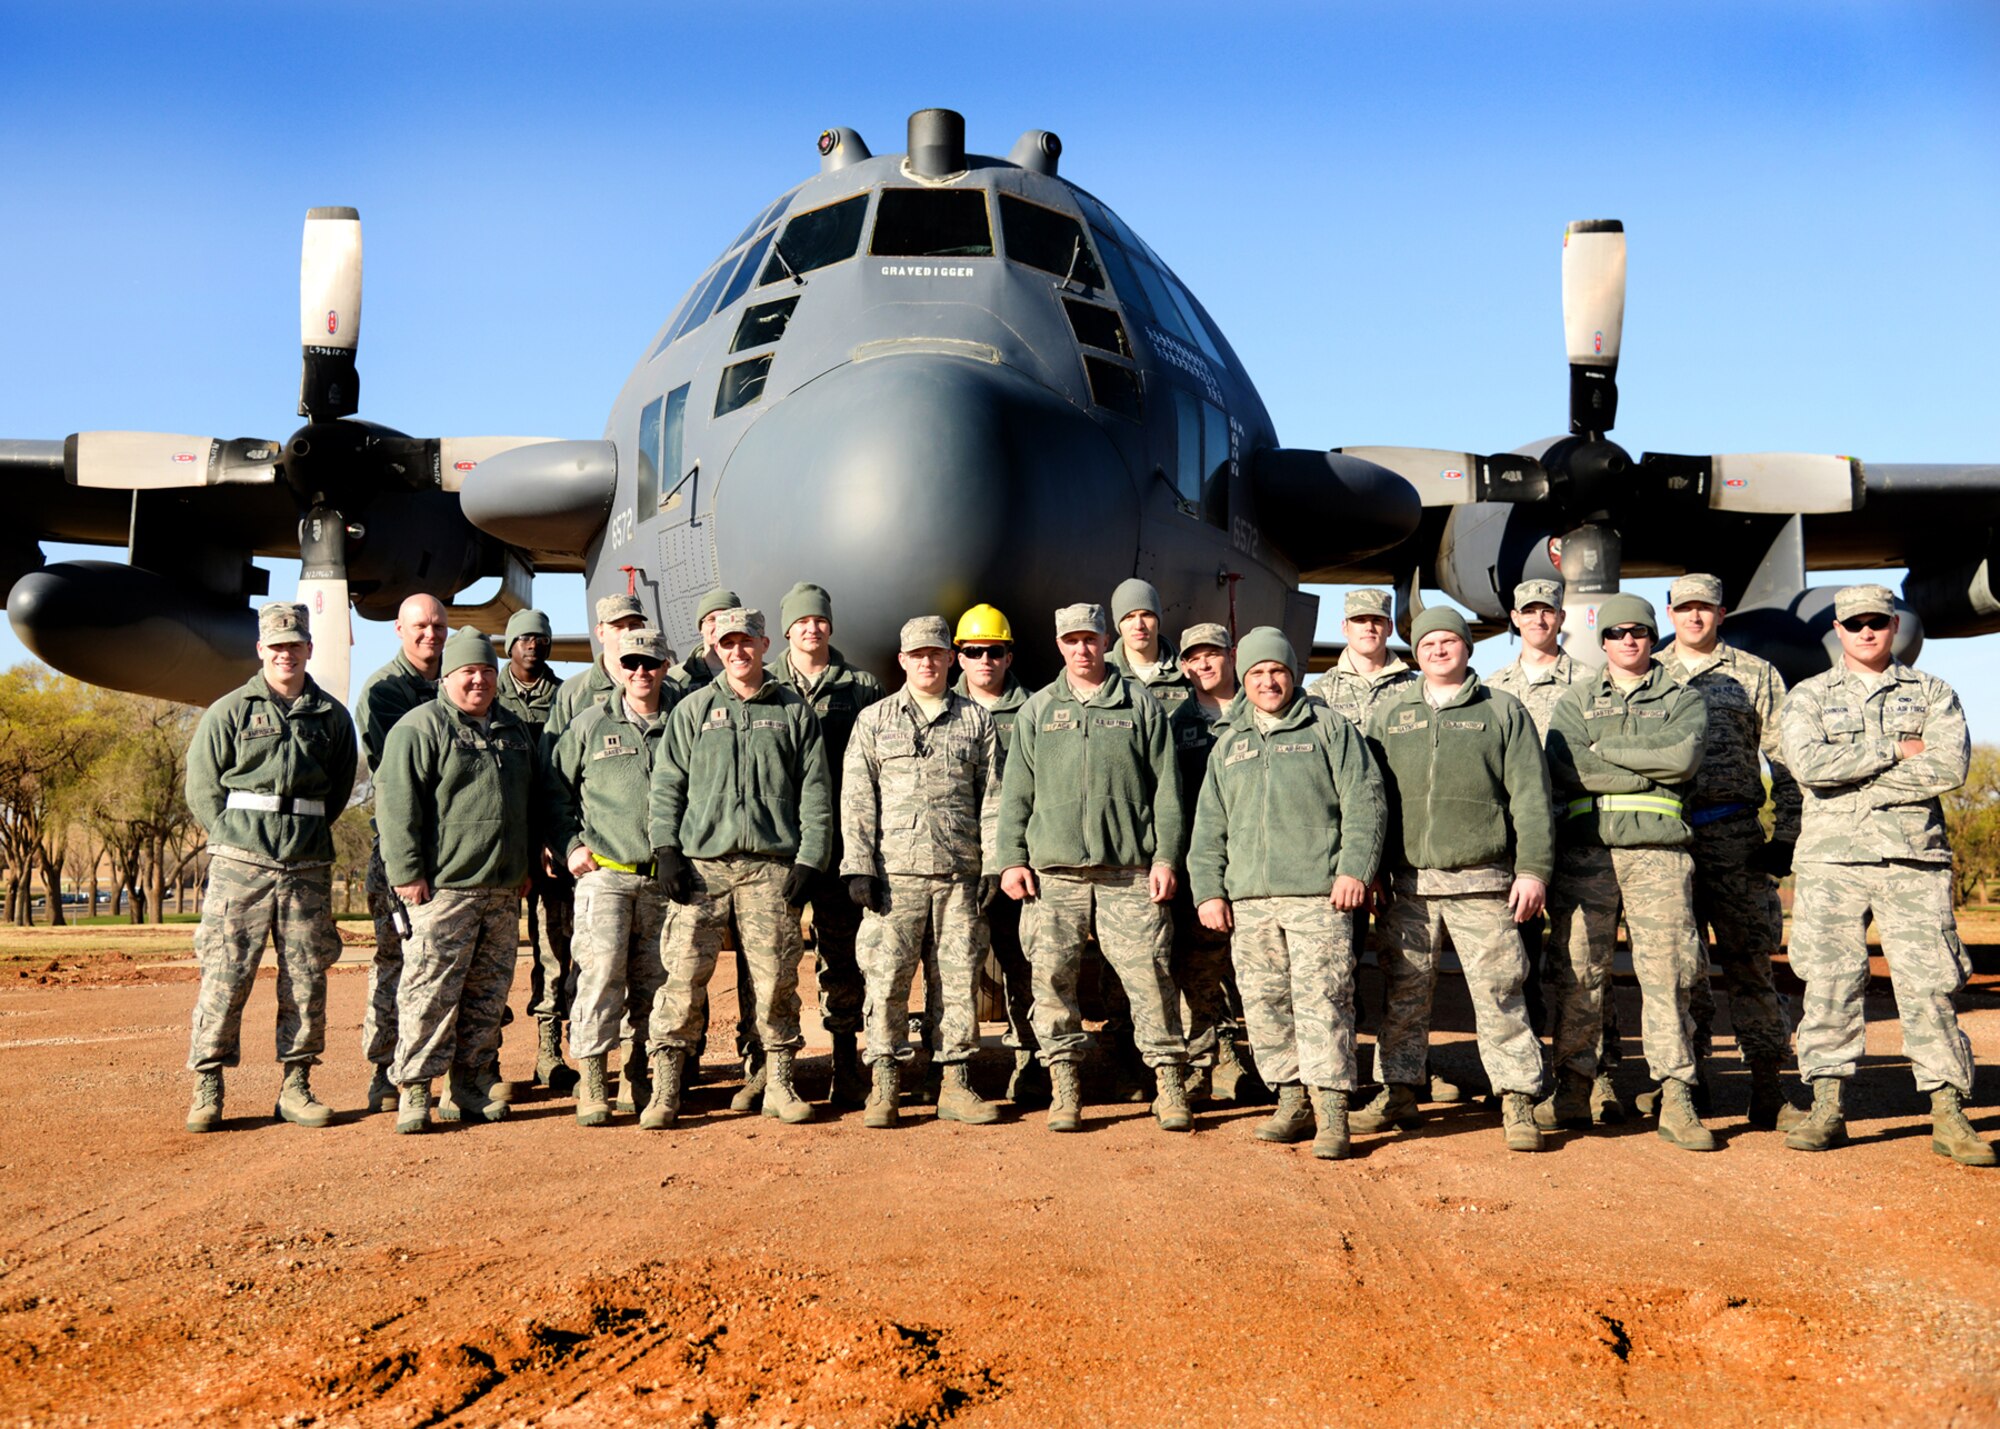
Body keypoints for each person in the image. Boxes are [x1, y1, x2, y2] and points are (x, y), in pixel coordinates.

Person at [1779, 585, 1991, 1166]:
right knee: (1830, 983)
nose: (1866, 632)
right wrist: (1896, 751)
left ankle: (1948, 1113)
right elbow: (1810, 766)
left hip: (1912, 861)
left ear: (1893, 626)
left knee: (1931, 985)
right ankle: (1826, 1107)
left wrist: (1858, 783)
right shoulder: (1809, 696)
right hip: (1831, 864)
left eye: (1877, 621)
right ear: (1838, 631)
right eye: (1854, 623)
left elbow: (1947, 767)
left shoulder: (1933, 692)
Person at [1360, 607, 1554, 1152]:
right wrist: (1372, 868)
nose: (1439, 650)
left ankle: (1518, 1099)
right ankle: (1398, 1091)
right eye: (1429, 643)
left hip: (1483, 881)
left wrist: (1534, 869)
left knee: (1500, 992)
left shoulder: (1502, 710)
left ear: (1467, 648)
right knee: (1403, 993)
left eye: (1450, 641)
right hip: (1410, 887)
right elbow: (1372, 803)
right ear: (1416, 652)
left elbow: (1531, 800)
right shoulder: (1392, 713)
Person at [994, 603, 1192, 1134]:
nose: (1082, 649)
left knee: (1149, 977)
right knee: (1052, 981)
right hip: (1054, 875)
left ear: (1107, 641)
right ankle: (1065, 1085)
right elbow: (1017, 794)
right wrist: (1011, 859)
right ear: (1059, 645)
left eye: (1091, 638)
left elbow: (1168, 792)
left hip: (1128, 870)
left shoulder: (1141, 706)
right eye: (1071, 640)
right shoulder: (1039, 710)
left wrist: (1167, 856)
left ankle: (1168, 1080)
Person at [1188, 627, 1384, 1159]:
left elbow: (1365, 803)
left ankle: (1333, 1112)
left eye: (1276, 671)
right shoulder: (1230, 744)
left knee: (1325, 1000)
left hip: (1317, 895)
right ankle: (1291, 1100)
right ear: (1244, 679)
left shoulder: (1330, 729)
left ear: (1293, 675)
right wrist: (1209, 891)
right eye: (1256, 673)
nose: (1267, 681)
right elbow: (1209, 827)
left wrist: (1354, 872)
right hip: (1251, 899)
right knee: (1265, 1002)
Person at [1543, 594, 1716, 1151]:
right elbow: (1568, 767)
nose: (1629, 640)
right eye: (1617, 633)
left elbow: (1682, 760)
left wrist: (1608, 750)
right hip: (1586, 854)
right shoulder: (1575, 701)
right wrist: (1645, 765)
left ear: (1651, 635)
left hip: (1658, 855)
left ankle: (1676, 1093)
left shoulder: (1683, 698)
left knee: (1667, 974)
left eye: (1639, 631)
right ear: (1605, 641)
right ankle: (1573, 1088)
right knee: (1577, 974)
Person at [648, 607, 832, 1124]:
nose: (737, 651)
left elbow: (815, 792)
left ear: (764, 643)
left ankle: (778, 1085)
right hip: (704, 868)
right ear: (718, 649)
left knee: (775, 981)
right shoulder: (693, 710)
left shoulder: (795, 712)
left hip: (770, 869)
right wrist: (666, 848)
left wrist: (811, 858)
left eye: (746, 642)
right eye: (727, 643)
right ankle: (666, 1089)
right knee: (683, 977)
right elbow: (667, 785)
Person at [181, 601, 358, 1132]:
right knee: (225, 973)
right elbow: (203, 789)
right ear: (261, 650)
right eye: (276, 645)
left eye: (295, 645)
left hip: (306, 865)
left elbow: (339, 788)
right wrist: (237, 840)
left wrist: (300, 833)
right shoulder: (230, 710)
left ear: (308, 648)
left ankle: (297, 1083)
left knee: (306, 978)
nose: (286, 653)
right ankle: (208, 1082)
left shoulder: (331, 717)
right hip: (241, 864)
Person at [377, 627, 539, 1134]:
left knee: (487, 998)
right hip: (444, 889)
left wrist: (524, 867)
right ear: (447, 677)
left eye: (488, 672)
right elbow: (397, 807)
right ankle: (415, 1091)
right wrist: (407, 874)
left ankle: (467, 1085)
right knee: (429, 994)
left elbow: (528, 805)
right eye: (468, 671)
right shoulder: (419, 728)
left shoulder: (513, 730)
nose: (479, 681)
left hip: (501, 889)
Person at [842, 616, 1002, 1128]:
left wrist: (993, 864)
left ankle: (953, 1082)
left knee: (956, 980)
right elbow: (857, 798)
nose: (928, 662)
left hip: (959, 875)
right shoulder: (874, 721)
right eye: (918, 654)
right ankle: (884, 1084)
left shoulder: (977, 721)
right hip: (895, 878)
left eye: (937, 653)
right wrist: (858, 866)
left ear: (950, 659)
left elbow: (994, 799)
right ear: (903, 661)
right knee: (886, 979)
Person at [1660, 573, 1803, 1128]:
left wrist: (1786, 833)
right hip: (1668, 838)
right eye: (1686, 608)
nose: (1696, 617)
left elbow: (1785, 760)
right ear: (1670, 613)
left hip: (1736, 835)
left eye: (1707, 608)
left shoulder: (1756, 673)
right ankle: (1689, 1086)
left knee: (1750, 964)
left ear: (1723, 614)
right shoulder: (1649, 672)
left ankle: (1768, 1084)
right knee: (1681, 967)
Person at [1487, 578, 1619, 1120]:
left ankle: (1597, 1073)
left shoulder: (1591, 683)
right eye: (1529, 612)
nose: (1539, 619)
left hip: (1579, 839)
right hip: (1512, 846)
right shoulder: (1492, 688)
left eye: (1548, 611)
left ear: (1561, 618)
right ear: (1514, 619)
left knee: (1584, 961)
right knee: (1511, 960)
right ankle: (1527, 1073)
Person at [544, 628, 680, 1127]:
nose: (640, 672)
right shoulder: (589, 725)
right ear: (616, 667)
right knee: (599, 978)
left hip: (664, 879)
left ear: (665, 665)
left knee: (657, 983)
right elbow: (553, 791)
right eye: (631, 663)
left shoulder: (682, 721)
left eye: (650, 662)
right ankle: (593, 1081)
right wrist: (570, 845)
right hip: (605, 875)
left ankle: (638, 1075)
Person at [764, 581, 884, 1108]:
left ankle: (844, 1063)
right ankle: (764, 1068)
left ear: (830, 627)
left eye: (820, 620)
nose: (811, 629)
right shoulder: (764, 686)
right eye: (801, 622)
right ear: (787, 629)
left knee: (842, 957)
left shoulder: (859, 687)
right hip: (779, 846)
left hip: (840, 847)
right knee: (769, 960)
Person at [355, 592, 446, 1113]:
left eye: (437, 625)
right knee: (396, 960)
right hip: (403, 846)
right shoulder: (385, 691)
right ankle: (384, 1070)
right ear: (399, 629)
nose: (430, 633)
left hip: (456, 849)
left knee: (447, 965)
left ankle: (451, 1066)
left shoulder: (458, 679)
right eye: (420, 626)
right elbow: (406, 773)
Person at [952, 603, 1042, 1105]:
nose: (984, 660)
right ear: (957, 657)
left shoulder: (1036, 711)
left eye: (995, 651)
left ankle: (1029, 1062)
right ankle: (949, 1068)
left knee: (1021, 965)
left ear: (1009, 656)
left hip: (1016, 863)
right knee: (950, 968)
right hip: (958, 863)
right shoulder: (943, 709)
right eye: (973, 651)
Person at [1169, 622, 1262, 1102]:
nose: (1203, 664)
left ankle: (1273, 1066)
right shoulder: (1177, 724)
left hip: (1257, 862)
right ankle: (1208, 1062)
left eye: (1212, 654)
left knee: (1260, 969)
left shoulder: (1265, 711)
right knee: (1201, 970)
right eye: (1193, 658)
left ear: (1232, 655)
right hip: (1199, 866)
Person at [495, 606, 578, 1095]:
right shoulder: (489, 691)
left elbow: (561, 775)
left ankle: (549, 1053)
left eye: (540, 638)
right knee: (497, 952)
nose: (532, 645)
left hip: (548, 839)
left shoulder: (564, 695)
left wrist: (553, 837)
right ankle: (486, 1058)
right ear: (509, 645)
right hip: (503, 839)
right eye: (523, 638)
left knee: (554, 948)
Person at [1106, 577, 1192, 712]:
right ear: (1119, 625)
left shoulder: (1186, 672)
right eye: (1129, 617)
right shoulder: (1102, 671)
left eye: (1147, 615)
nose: (1139, 625)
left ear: (1158, 620)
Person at [671, 587, 740, 692]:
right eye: (711, 619)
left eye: (726, 618)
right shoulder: (676, 681)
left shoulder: (760, 673)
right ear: (701, 627)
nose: (719, 625)